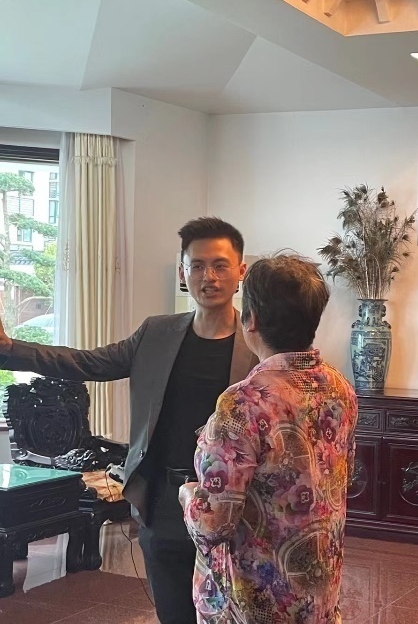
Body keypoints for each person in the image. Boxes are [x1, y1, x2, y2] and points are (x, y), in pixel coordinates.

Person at [0, 217, 258, 624]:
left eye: (220, 265)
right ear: (182, 273)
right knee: (173, 611)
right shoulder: (156, 334)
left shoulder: (257, 345)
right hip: (162, 500)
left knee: (229, 613)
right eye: (197, 265)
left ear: (240, 271)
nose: (208, 277)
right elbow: (86, 362)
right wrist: (10, 349)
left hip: (232, 507)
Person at [179, 253, 358, 624]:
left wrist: (188, 494)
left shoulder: (243, 402)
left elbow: (214, 524)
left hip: (255, 600)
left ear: (252, 320)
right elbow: (344, 478)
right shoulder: (340, 388)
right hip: (317, 592)